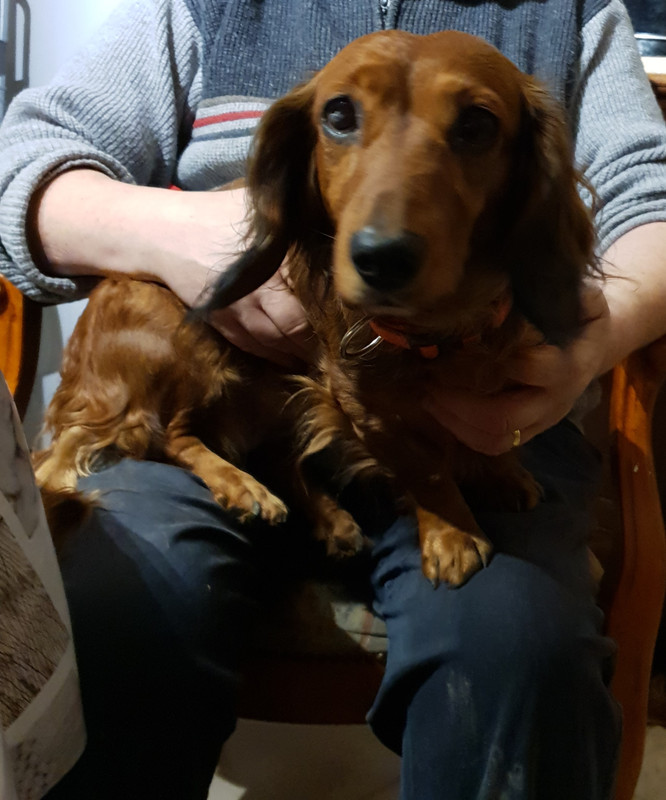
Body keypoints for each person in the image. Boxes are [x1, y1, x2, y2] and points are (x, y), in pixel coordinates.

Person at [1, 0, 666, 797]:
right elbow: (21, 162)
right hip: (234, 396)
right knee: (114, 612)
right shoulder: (205, 8)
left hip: (485, 412)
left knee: (518, 646)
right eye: (343, 119)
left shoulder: (573, 15)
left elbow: (653, 201)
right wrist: (183, 235)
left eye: (473, 128)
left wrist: (594, 337)